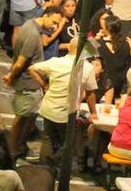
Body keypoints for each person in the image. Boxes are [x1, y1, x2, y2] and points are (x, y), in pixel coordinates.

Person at [1, 5, 63, 159]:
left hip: (28, 83)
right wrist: (10, 76)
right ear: (46, 16)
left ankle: (18, 147)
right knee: (21, 119)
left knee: (27, 118)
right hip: (27, 83)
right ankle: (12, 151)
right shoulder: (34, 35)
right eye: (54, 22)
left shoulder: (29, 24)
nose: (55, 27)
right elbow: (21, 63)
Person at [28, 34, 98, 167]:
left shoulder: (56, 62)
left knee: (48, 139)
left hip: (49, 108)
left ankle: (44, 169)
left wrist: (45, 85)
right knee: (69, 143)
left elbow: (32, 69)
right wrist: (93, 112)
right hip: (67, 113)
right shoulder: (87, 68)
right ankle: (55, 163)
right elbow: (90, 93)